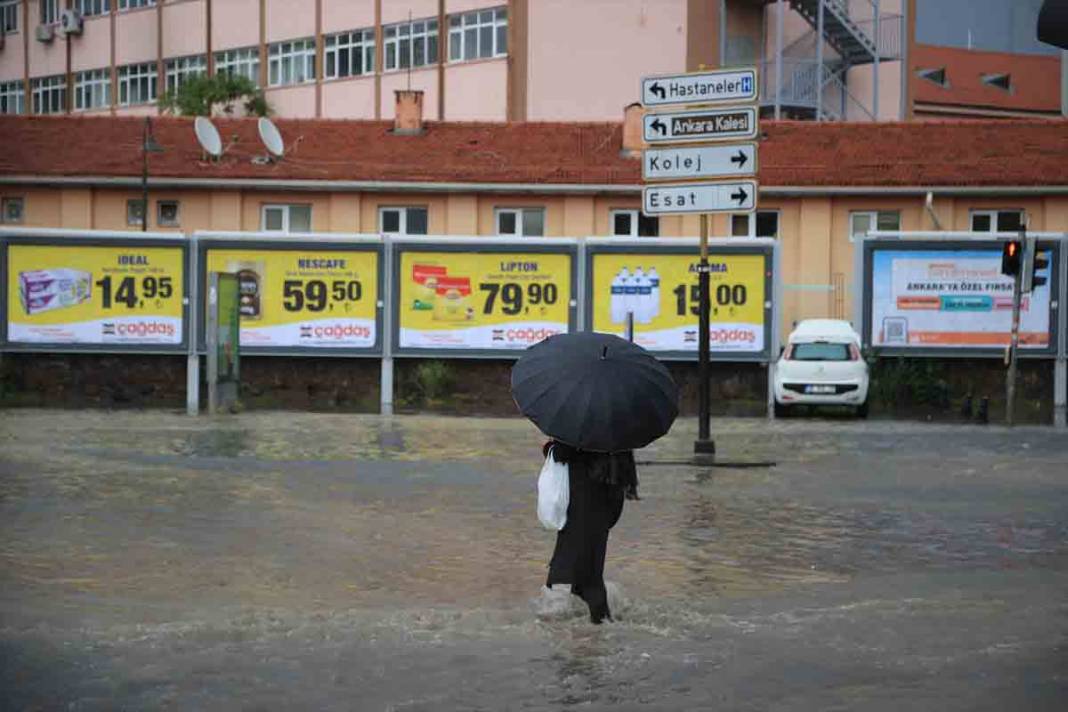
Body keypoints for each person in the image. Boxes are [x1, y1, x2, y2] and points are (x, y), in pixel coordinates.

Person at [543, 440, 639, 624]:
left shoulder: (581, 430)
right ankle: (596, 632)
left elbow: (563, 454)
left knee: (585, 579)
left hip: (583, 499)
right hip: (607, 497)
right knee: (588, 572)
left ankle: (598, 628)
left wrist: (550, 448)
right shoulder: (615, 432)